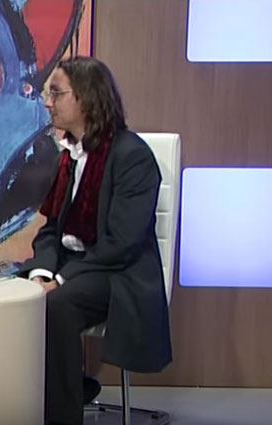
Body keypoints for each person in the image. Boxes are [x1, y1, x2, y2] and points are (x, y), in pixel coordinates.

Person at [19, 56, 172, 425]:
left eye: (56, 93)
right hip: (75, 266)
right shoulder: (70, 156)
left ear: (85, 98)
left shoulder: (132, 156)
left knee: (56, 306)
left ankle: (61, 413)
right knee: (12, 296)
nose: (47, 103)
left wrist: (60, 281)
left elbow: (123, 242)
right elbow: (52, 229)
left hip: (117, 271)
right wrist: (42, 273)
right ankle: (55, 390)